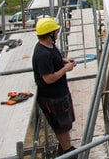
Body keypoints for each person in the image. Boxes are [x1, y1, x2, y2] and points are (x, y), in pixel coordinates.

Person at [32, 17, 77, 155]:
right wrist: (66, 69)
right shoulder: (42, 54)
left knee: (66, 123)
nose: (58, 32)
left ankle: (64, 148)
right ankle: (67, 152)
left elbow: (54, 58)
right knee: (61, 126)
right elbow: (48, 78)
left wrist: (64, 60)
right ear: (49, 34)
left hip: (60, 94)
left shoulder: (48, 46)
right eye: (55, 31)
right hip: (53, 98)